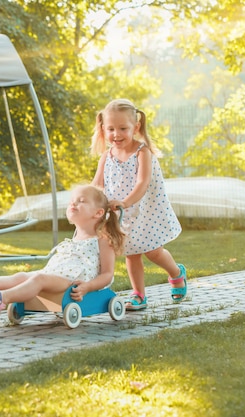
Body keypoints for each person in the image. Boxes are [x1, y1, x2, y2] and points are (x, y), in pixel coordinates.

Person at [0, 184, 126, 317]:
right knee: (22, 276)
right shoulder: (74, 239)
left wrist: (88, 286)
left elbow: (107, 274)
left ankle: (1, 298)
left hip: (71, 281)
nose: (73, 203)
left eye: (81, 201)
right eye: (72, 201)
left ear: (98, 213)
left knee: (37, 279)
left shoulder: (103, 240)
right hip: (53, 274)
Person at [90, 98, 187, 311]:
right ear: (103, 129)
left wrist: (125, 202)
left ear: (136, 126)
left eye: (123, 128)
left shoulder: (142, 153)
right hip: (120, 214)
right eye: (111, 129)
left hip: (144, 211)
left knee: (153, 252)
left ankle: (176, 273)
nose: (116, 134)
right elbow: (98, 184)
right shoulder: (106, 156)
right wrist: (89, 201)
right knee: (131, 254)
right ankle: (139, 295)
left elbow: (142, 183)